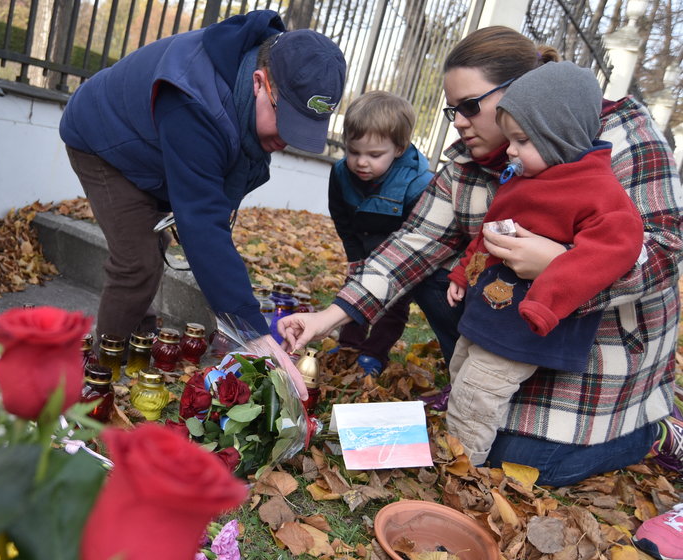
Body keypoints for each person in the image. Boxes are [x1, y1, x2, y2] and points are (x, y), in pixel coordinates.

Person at [278, 26, 683, 486]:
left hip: (592, 344)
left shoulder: (621, 137)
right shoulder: (468, 165)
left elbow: (666, 252)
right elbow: (411, 244)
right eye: (454, 110)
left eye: (470, 106)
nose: (457, 121)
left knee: (518, 460)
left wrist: (559, 265)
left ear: (521, 93)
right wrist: (326, 318)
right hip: (509, 326)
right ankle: (474, 393)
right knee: (439, 296)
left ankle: (650, 430)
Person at [58, 11, 346, 355]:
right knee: (137, 262)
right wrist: (253, 332)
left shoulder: (251, 84)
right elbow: (202, 224)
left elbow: (212, 210)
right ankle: (100, 371)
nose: (288, 139)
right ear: (259, 82)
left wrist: (236, 314)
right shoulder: (193, 99)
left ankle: (139, 339)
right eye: (285, 120)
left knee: (148, 251)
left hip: (152, 145)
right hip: (103, 140)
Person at [443, 61, 644, 466]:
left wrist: (547, 298)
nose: (510, 150)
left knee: (480, 393)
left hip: (527, 324)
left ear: (559, 137)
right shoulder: (526, 177)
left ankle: (461, 468)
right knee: (461, 370)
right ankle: (455, 442)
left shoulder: (596, 190)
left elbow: (609, 251)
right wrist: (465, 271)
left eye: (521, 140)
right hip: (490, 312)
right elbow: (491, 229)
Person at [328, 91, 433, 376]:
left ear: (399, 148)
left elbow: (418, 235)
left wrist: (390, 268)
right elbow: (342, 218)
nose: (361, 162)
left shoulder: (417, 183)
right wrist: (355, 256)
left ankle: (374, 353)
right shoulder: (340, 173)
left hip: (401, 256)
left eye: (374, 155)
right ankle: (349, 345)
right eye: (353, 151)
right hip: (364, 245)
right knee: (354, 289)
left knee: (393, 306)